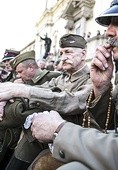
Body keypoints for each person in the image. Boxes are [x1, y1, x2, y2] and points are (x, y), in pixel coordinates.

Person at [26, 0, 118, 170]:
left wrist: (59, 130)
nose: (108, 32)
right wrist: (101, 88)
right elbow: (109, 127)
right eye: (109, 24)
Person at [0, 34, 92, 169]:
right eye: (61, 53)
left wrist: (21, 90)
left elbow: (70, 102)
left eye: (68, 52)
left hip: (68, 144)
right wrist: (6, 96)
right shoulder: (62, 79)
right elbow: (40, 89)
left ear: (83, 54)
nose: (63, 57)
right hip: (38, 137)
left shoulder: (92, 80)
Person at [0, 50, 61, 170]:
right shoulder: (22, 82)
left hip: (35, 139)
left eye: (20, 72)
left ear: (31, 68)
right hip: (16, 136)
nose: (18, 75)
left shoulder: (53, 78)